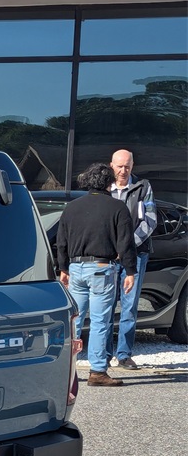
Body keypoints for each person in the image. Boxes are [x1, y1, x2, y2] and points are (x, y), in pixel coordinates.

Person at [55, 162, 137, 387]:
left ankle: (65, 370)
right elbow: (126, 243)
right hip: (102, 268)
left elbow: (61, 241)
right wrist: (130, 271)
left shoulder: (72, 208)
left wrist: (63, 268)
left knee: (74, 321)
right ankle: (98, 372)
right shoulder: (117, 208)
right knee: (101, 321)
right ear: (109, 182)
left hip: (75, 268)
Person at [107, 149, 157, 370]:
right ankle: (105, 353)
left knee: (129, 306)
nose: (123, 171)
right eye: (119, 166)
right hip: (107, 256)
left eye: (127, 166)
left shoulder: (143, 187)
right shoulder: (104, 189)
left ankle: (124, 354)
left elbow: (150, 220)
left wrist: (127, 246)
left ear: (132, 166)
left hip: (135, 255)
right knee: (106, 305)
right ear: (112, 166)